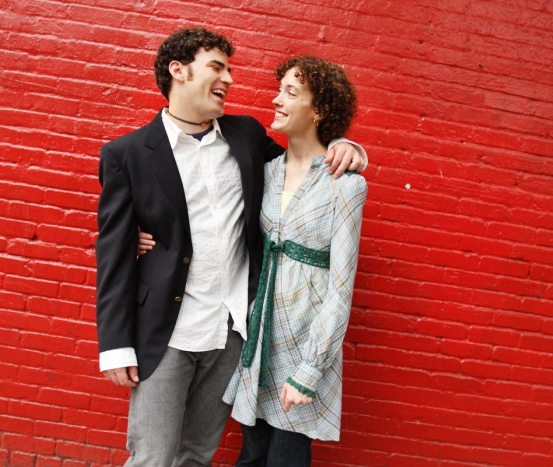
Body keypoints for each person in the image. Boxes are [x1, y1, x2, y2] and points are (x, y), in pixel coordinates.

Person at [95, 28, 367, 467]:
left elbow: (305, 161)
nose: (230, 80)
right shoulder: (126, 154)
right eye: (217, 67)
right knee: (152, 459)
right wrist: (115, 345)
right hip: (164, 335)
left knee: (196, 456)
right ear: (178, 71)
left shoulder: (245, 136)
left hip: (232, 336)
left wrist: (346, 145)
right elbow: (110, 253)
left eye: (229, 69)